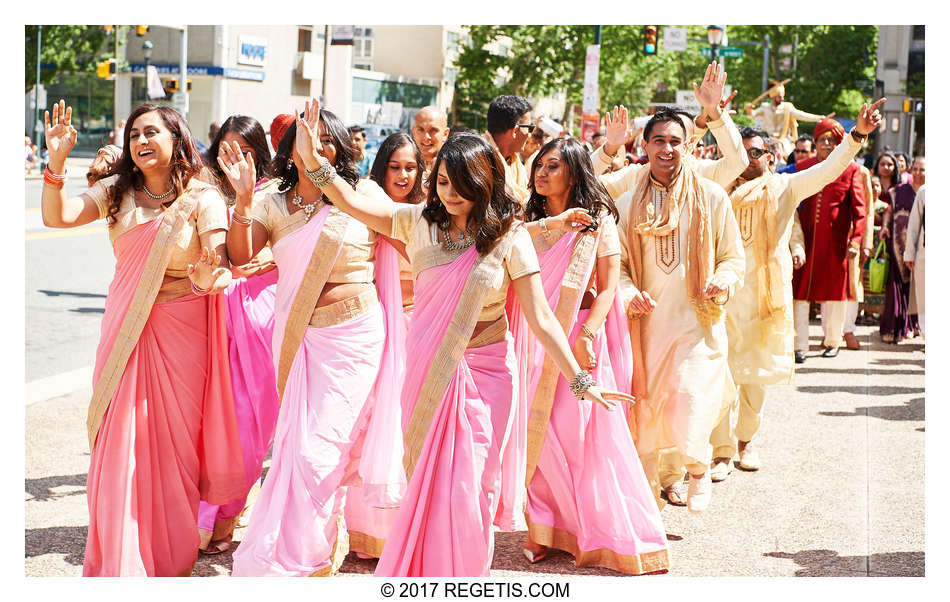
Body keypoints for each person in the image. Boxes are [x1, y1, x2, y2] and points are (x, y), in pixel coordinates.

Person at [290, 98, 632, 577]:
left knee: (472, 491)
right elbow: (349, 200)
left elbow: (541, 318)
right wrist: (312, 160)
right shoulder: (416, 224)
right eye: (443, 182)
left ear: (484, 183)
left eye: (462, 184)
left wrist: (581, 380)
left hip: (487, 377)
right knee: (430, 485)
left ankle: (463, 579)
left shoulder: (509, 239)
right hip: (428, 372)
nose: (450, 193)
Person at [42, 100, 243, 576]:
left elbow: (219, 265)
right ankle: (121, 562)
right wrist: (54, 164)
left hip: (182, 331)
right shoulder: (117, 192)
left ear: (177, 139)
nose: (141, 142)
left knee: (171, 450)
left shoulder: (203, 197)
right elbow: (60, 217)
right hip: (125, 330)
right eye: (134, 135)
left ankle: (165, 559)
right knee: (121, 450)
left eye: (152, 132)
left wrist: (209, 275)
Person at [226, 104, 405, 577]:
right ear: (288, 152)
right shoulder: (272, 203)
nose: (317, 144)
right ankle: (307, 553)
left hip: (355, 339)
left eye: (326, 138)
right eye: (307, 137)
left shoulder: (360, 194)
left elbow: (410, 241)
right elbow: (240, 256)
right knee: (298, 449)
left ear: (339, 147)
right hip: (299, 339)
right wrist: (244, 200)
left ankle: (310, 556)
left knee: (320, 451)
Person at [591, 63, 749, 507]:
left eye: (675, 141)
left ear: (688, 147)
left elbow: (732, 257)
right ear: (644, 146)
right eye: (658, 140)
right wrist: (624, 293)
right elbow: (611, 254)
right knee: (646, 409)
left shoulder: (710, 191)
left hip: (696, 320)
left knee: (689, 393)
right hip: (645, 324)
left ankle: (698, 467)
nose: (666, 148)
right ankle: (648, 501)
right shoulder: (628, 191)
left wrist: (722, 278)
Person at [708, 101, 884, 480]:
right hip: (719, 299)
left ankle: (745, 443)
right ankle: (720, 453)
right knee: (718, 377)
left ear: (770, 157)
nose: (746, 158)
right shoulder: (717, 189)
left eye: (754, 152)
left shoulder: (784, 187)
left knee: (754, 379)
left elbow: (827, 170)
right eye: (740, 151)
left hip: (763, 300)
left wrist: (856, 136)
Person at [519, 137, 669, 573]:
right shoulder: (529, 220)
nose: (541, 174)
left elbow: (607, 289)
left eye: (552, 166)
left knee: (579, 434)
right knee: (538, 431)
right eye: (538, 166)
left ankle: (594, 527)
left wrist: (587, 332)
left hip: (583, 335)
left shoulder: (598, 221)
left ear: (574, 172)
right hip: (533, 336)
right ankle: (542, 527)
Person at [196, 114, 279, 555]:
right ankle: (203, 520)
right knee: (211, 425)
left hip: (262, 318)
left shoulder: (276, 194)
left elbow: (299, 248)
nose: (234, 158)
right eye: (226, 148)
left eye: (244, 150)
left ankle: (226, 516)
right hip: (212, 312)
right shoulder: (203, 191)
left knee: (250, 427)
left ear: (258, 152)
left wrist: (273, 257)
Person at [342, 132, 424, 557]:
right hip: (379, 327)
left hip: (420, 328)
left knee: (411, 422)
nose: (404, 175)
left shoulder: (430, 211)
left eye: (411, 167)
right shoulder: (370, 208)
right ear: (381, 168)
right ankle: (369, 534)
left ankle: (402, 532)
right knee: (374, 421)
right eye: (395, 167)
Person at [792, 118, 868, 361]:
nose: (826, 143)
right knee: (798, 294)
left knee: (835, 295)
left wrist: (856, 241)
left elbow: (860, 211)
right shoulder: (803, 166)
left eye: (832, 140)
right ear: (815, 142)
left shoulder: (852, 169)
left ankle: (832, 341)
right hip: (805, 242)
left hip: (835, 245)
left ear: (838, 143)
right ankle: (798, 345)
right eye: (822, 139)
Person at [879, 156, 925, 343]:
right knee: (897, 287)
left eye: (922, 170)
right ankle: (894, 328)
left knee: (919, 290)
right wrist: (884, 226)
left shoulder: (926, 192)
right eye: (914, 169)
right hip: (899, 243)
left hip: (922, 248)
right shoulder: (898, 191)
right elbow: (889, 210)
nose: (917, 173)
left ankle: (913, 326)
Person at [743, 79, 831, 157]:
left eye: (782, 96)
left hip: (783, 140)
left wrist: (819, 118)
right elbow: (752, 115)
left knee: (789, 154)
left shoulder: (788, 107)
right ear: (773, 97)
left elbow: (802, 115)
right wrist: (748, 109)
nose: (782, 98)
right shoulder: (765, 107)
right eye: (779, 96)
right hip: (767, 139)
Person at [486, 94, 533, 203]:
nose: (530, 135)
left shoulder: (513, 162)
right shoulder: (480, 162)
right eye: (529, 128)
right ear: (515, 131)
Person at [903, 182, 925, 338]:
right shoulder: (925, 191)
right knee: (925, 298)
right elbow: (913, 226)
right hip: (925, 254)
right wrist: (909, 254)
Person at [411, 106, 450, 173]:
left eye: (433, 130)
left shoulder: (454, 168)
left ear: (445, 134)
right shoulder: (404, 167)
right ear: (413, 132)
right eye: (421, 130)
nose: (426, 137)